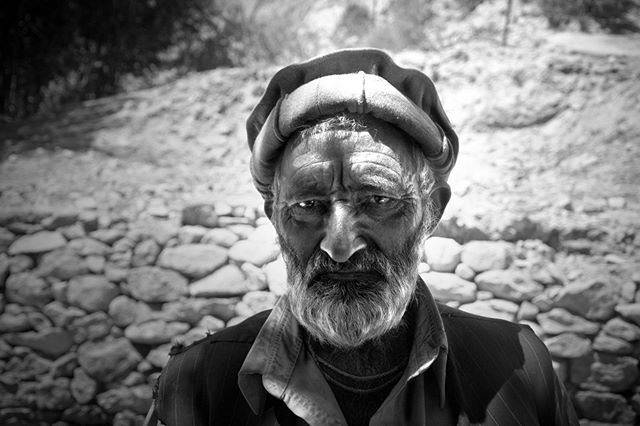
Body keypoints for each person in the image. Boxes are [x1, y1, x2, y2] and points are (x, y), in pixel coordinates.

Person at [147, 48, 578, 425]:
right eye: (307, 207)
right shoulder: (199, 384)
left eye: (377, 200)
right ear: (275, 219)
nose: (339, 246)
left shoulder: (520, 369)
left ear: (432, 212)